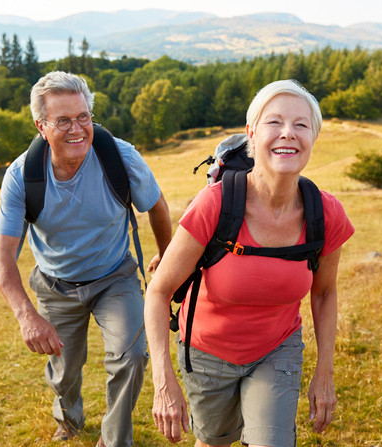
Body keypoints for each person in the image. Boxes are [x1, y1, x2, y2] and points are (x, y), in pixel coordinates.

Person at [144, 79, 355, 447]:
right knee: (214, 442)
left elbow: (323, 294)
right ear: (252, 135)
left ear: (313, 139)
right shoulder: (215, 203)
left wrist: (325, 372)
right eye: (274, 122)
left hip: (277, 348)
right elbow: (159, 290)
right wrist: (163, 381)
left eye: (301, 125)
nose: (288, 133)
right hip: (207, 351)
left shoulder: (326, 212)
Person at [0, 71, 172, 447]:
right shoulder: (23, 175)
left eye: (83, 117)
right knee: (64, 372)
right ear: (42, 126)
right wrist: (27, 316)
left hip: (114, 277)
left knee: (133, 354)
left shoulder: (119, 157)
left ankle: (114, 438)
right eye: (63, 121)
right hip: (56, 284)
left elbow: (157, 207)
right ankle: (69, 415)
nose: (77, 129)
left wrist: (167, 258)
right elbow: (2, 254)